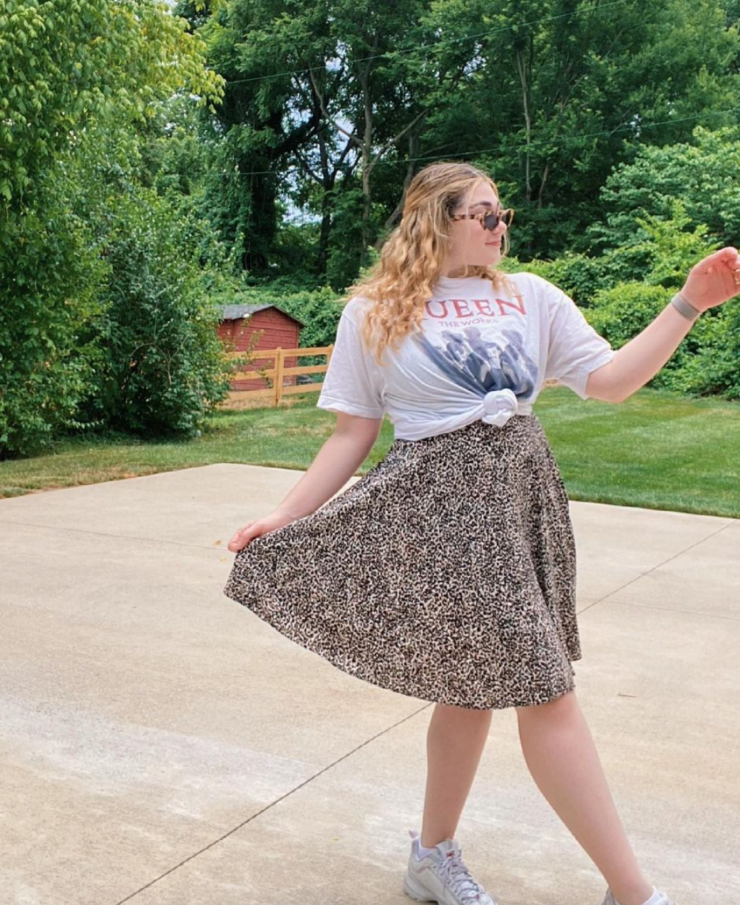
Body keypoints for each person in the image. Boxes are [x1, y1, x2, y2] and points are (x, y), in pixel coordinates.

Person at [224, 161, 740, 905]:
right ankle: (634, 892)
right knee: (546, 690)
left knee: (470, 690)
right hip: (438, 511)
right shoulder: (373, 311)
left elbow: (613, 381)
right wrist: (284, 515)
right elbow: (351, 435)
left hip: (520, 500)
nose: (502, 229)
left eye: (505, 217)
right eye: (487, 216)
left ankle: (431, 855)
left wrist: (689, 303)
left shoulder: (531, 296)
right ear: (439, 219)